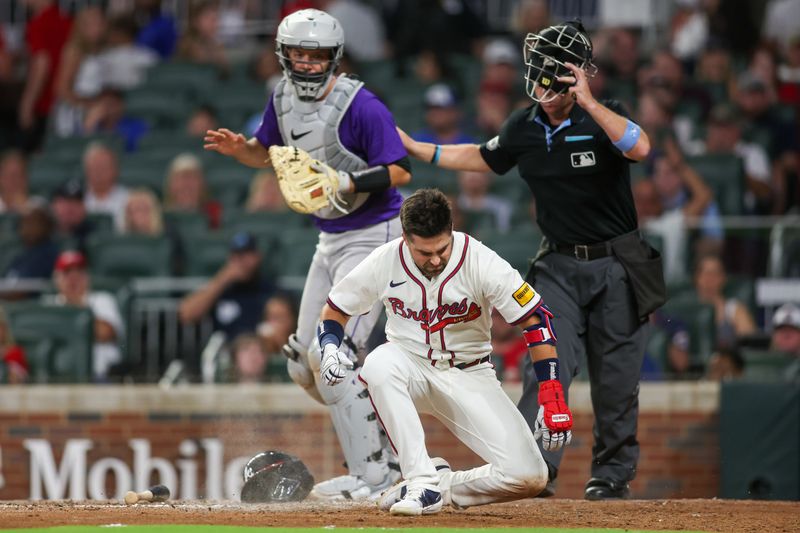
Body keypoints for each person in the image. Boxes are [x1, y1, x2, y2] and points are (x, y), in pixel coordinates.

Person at [398, 21, 664, 500]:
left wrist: (588, 100)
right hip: (559, 265)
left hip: (617, 264)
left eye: (550, 75)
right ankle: (533, 469)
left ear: (573, 75)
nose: (541, 85)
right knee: (549, 365)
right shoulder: (524, 125)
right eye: (536, 74)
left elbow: (640, 148)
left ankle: (611, 475)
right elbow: (483, 156)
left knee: (617, 380)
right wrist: (420, 149)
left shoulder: (606, 117)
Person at [203, 8, 411, 500]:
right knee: (303, 362)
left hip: (374, 233)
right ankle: (387, 447)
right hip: (330, 237)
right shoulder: (281, 99)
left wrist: (345, 180)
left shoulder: (361, 105)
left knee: (332, 356)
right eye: (299, 54)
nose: (307, 64)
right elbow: (267, 152)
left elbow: (400, 171)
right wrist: (243, 150)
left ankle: (376, 475)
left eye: (316, 56)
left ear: (333, 58)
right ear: (284, 55)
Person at [316, 189, 572, 515]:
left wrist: (551, 393)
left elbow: (535, 322)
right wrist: (329, 348)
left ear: (451, 231)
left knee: (529, 476)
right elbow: (336, 309)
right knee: (379, 362)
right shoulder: (386, 260)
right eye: (425, 252)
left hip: (470, 373)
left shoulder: (479, 259)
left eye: (442, 248)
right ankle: (421, 480)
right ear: (406, 238)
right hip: (410, 364)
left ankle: (441, 486)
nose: (436, 259)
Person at [179, 231, 273, 341]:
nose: (242, 261)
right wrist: (222, 279)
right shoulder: (222, 290)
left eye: (247, 254)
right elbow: (186, 315)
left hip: (258, 351)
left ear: (258, 256)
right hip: (226, 352)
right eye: (237, 256)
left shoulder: (269, 290)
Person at [48, 250, 125, 381]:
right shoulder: (48, 305)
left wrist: (76, 306)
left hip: (100, 376)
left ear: (87, 277)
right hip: (58, 377)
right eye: (67, 273)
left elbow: (106, 333)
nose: (73, 279)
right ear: (56, 278)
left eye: (78, 273)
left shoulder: (103, 300)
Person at [693, 253, 757, 350]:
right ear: (697, 278)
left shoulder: (735, 309)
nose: (710, 278)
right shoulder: (687, 308)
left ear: (723, 278)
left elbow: (750, 344)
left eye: (715, 273)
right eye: (706, 273)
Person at [82, 141, 129, 231]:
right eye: (95, 167)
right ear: (86, 170)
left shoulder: (128, 198)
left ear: (115, 170)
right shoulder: (77, 198)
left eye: (103, 166)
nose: (98, 172)